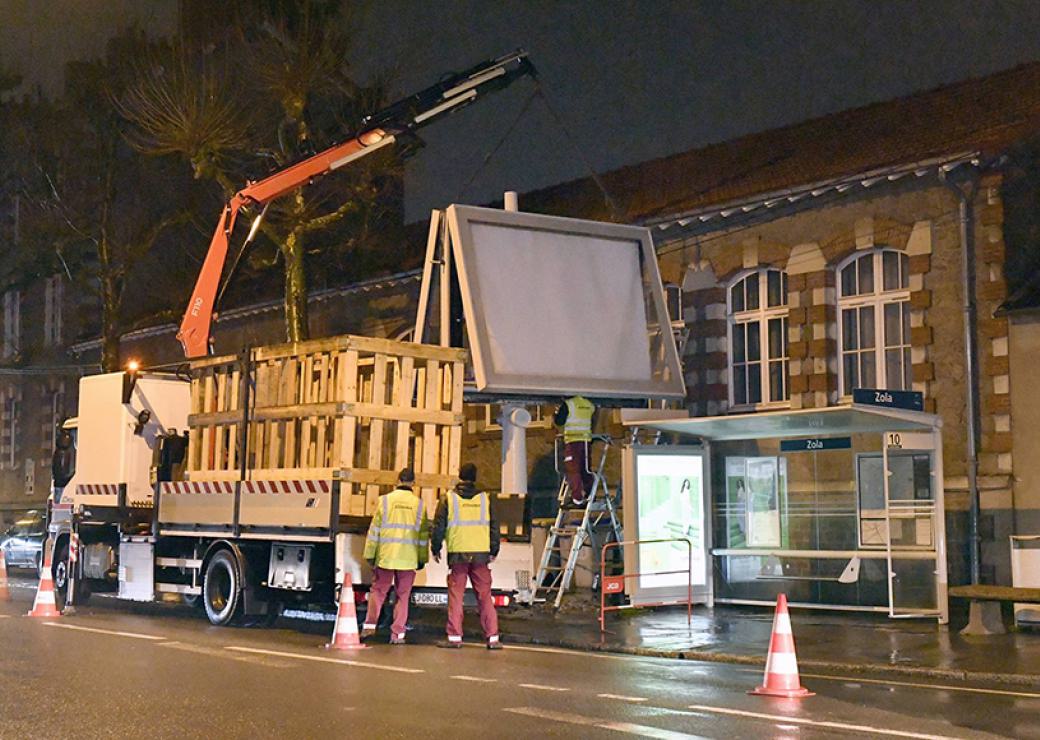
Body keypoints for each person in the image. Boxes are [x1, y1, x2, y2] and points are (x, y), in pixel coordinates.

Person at [431, 462, 502, 650]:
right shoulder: (486, 499)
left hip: (458, 554)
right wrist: (494, 549)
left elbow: (439, 525)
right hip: (480, 554)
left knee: (456, 595)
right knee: (485, 596)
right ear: (476, 477)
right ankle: (493, 637)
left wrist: (435, 547)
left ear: (460, 476)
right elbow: (494, 526)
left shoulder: (449, 499)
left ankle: (454, 637)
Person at [361, 468, 429, 645]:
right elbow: (422, 536)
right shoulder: (419, 504)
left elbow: (374, 531)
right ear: (413, 483)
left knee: (378, 591)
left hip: (386, 556)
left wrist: (370, 554)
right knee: (403, 595)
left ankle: (369, 626)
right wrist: (422, 559)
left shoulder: (385, 501)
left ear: (397, 481)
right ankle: (397, 634)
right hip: (408, 559)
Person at [553, 395, 596, 505]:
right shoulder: (589, 404)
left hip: (573, 441)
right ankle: (589, 494)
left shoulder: (569, 404)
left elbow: (559, 421)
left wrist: (555, 414)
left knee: (573, 469)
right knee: (585, 469)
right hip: (586, 441)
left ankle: (577, 498)